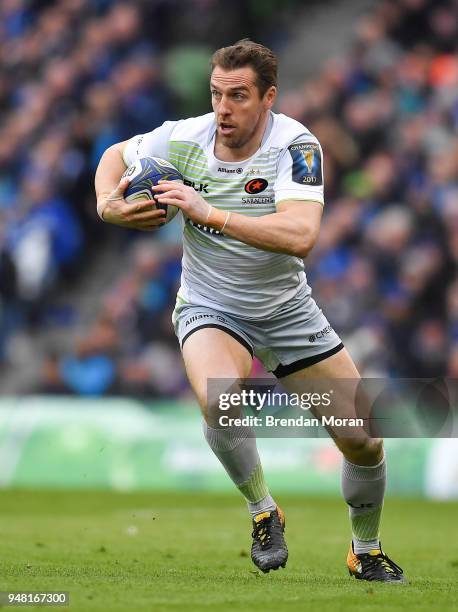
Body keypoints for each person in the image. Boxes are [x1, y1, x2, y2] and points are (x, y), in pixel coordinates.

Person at [95, 40, 405, 583]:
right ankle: (264, 511)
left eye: (238, 96)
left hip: (288, 312)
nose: (223, 108)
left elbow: (302, 235)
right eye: (216, 94)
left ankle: (366, 550)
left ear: (268, 98)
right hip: (211, 305)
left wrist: (208, 212)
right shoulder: (183, 138)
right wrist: (108, 206)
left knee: (363, 439)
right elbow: (114, 156)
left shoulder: (297, 147)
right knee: (220, 395)